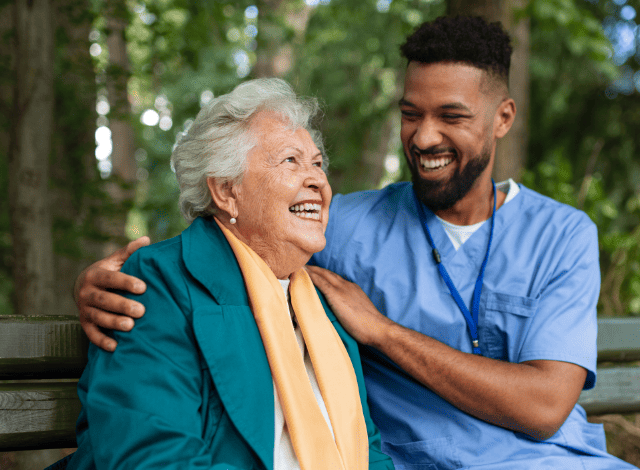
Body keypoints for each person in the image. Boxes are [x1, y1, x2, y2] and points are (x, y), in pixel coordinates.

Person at [76, 16, 638, 469]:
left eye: (451, 116)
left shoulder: (562, 233)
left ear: (502, 118)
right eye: (410, 114)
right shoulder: (342, 225)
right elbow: (229, 245)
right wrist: (105, 282)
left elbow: (544, 407)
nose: (423, 136)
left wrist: (383, 332)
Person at [55, 78, 392, 470]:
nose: (318, 180)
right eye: (290, 161)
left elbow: (368, 450)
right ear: (227, 192)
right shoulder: (158, 283)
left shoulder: (320, 304)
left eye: (317, 163)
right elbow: (152, 455)